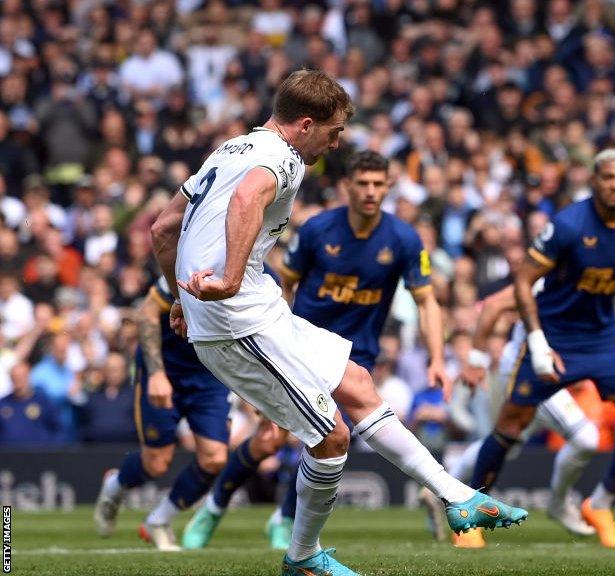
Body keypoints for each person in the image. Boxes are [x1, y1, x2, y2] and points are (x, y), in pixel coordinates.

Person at [151, 70, 525, 576]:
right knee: (331, 439)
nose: (339, 141)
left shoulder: (230, 149)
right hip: (237, 321)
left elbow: (164, 227)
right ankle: (303, 557)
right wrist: (228, 280)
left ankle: (458, 497)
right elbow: (245, 201)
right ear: (305, 125)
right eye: (335, 130)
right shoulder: (282, 158)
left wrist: (180, 298)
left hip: (254, 308)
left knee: (358, 383)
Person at [181, 150, 452, 551]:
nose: (370, 192)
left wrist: (438, 358)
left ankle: (286, 520)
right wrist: (267, 347)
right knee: (271, 438)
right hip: (297, 342)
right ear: (347, 186)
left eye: (378, 184)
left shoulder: (403, 239)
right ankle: (215, 507)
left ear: (389, 187)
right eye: (362, 183)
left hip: (356, 354)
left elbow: (427, 301)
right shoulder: (317, 230)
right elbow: (284, 284)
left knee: (326, 435)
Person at [470, 149, 615, 549]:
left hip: (603, 338)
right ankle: (470, 512)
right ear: (594, 181)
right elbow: (524, 281)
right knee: (511, 425)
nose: (614, 184)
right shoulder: (567, 225)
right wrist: (538, 340)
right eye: (607, 177)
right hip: (555, 336)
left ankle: (602, 503)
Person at [436, 284, 600, 548]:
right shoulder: (544, 278)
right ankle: (557, 503)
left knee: (504, 444)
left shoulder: (599, 275)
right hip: (528, 370)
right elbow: (491, 305)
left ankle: (444, 489)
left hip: (546, 372)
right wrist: (477, 359)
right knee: (586, 437)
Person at [92, 277, 233, 551]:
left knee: (215, 459)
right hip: (165, 370)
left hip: (209, 375)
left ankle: (159, 520)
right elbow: (145, 314)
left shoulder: (261, 277)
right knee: (156, 463)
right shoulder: (192, 268)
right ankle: (114, 486)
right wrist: (156, 373)